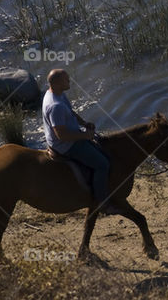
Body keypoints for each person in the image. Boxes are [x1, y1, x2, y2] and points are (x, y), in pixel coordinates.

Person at [42, 68, 119, 214]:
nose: (69, 81)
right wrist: (85, 136)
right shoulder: (55, 106)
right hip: (65, 145)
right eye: (66, 79)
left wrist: (84, 124)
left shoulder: (57, 94)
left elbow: (70, 112)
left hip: (72, 136)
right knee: (102, 165)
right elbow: (61, 135)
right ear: (58, 83)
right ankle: (102, 202)